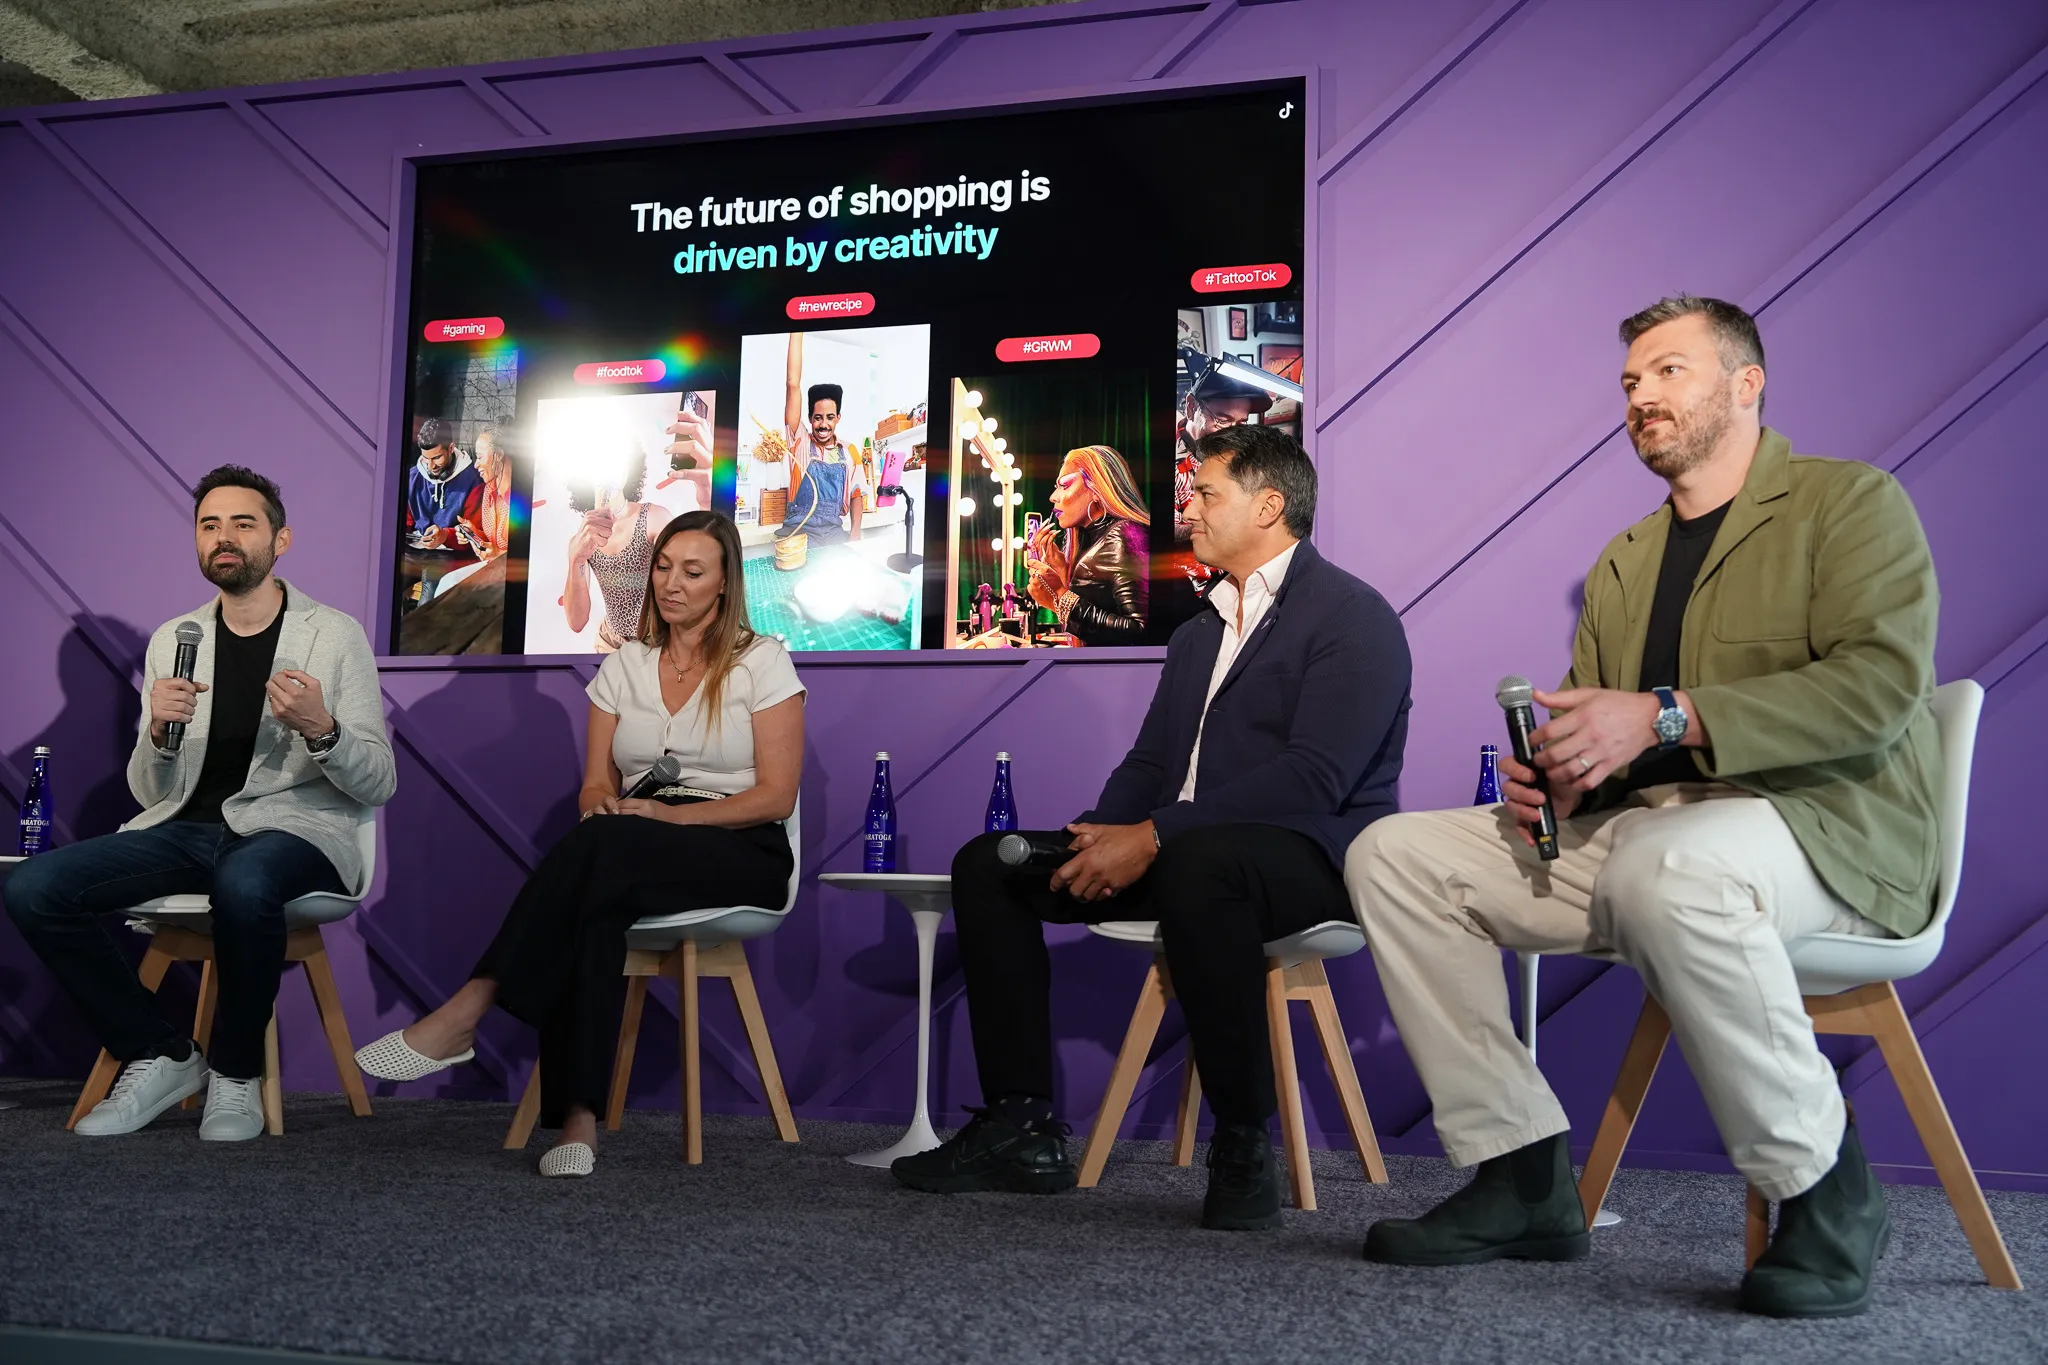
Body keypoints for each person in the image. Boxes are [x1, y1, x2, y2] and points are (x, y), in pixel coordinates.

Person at [1345, 296, 1937, 1318]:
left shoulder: (1846, 504)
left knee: (1669, 868)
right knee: (1394, 854)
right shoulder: (1623, 560)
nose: (1639, 396)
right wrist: (1568, 772)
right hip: (1647, 840)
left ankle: (1821, 1186)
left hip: (1817, 832)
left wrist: (1662, 714)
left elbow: (1878, 691)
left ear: (1745, 385)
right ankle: (1520, 1175)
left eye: (1667, 371)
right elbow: (1618, 750)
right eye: (1628, 381)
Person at [893, 425, 1411, 1230]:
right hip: (1185, 847)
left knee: (1205, 862)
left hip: (1312, 860)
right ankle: (1021, 1125)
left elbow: (1317, 778)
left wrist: (1156, 834)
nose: (1187, 507)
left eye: (1206, 493)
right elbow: (1148, 762)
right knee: (991, 862)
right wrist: (1104, 831)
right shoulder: (1197, 630)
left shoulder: (1354, 615)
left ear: (1268, 505)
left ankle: (1243, 1140)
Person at [356, 510, 804, 1178]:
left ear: (724, 582)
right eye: (662, 566)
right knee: (597, 892)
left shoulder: (761, 660)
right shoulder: (626, 663)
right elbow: (595, 785)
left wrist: (664, 818)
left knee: (605, 857)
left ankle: (473, 1009)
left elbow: (777, 797)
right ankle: (578, 1119)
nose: (671, 583)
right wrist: (609, 807)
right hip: (631, 843)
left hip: (738, 843)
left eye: (692, 571)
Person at [4, 466, 396, 1141]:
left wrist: (320, 726)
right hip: (187, 831)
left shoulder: (333, 635)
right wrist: (157, 731)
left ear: (281, 539)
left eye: (243, 524)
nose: (224, 538)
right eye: (210, 525)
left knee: (243, 880)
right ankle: (162, 1052)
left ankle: (237, 1072)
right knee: (35, 884)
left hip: (295, 830)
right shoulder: (175, 638)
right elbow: (152, 792)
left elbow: (380, 779)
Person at [1024, 444, 1150, 645]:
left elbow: (1140, 631)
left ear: (1096, 488)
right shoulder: (1091, 540)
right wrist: (1062, 572)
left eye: (1064, 486)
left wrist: (1059, 597)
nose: (1053, 497)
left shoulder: (1122, 533)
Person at [563, 440, 670, 652]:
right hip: (610, 643)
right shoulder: (582, 538)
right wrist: (576, 559)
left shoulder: (655, 519)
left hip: (657, 642)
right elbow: (576, 622)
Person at [773, 332, 863, 544]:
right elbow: (792, 384)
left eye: (830, 417)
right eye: (818, 418)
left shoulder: (849, 451)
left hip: (833, 532)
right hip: (799, 532)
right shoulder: (799, 442)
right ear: (809, 419)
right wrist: (796, 330)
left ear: (838, 418)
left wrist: (855, 533)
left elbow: (856, 494)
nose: (823, 424)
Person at [405, 417, 484, 555]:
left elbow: (473, 533)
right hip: (413, 549)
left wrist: (445, 536)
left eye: (436, 458)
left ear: (451, 448)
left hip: (452, 553)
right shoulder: (412, 477)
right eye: (425, 458)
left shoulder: (474, 480)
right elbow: (405, 523)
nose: (430, 466)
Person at [458, 426, 513, 561]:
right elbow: (494, 544)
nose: (476, 465)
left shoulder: (525, 500)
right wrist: (474, 533)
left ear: (498, 455)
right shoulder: (488, 490)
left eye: (479, 457)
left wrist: (499, 555)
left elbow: (532, 555)